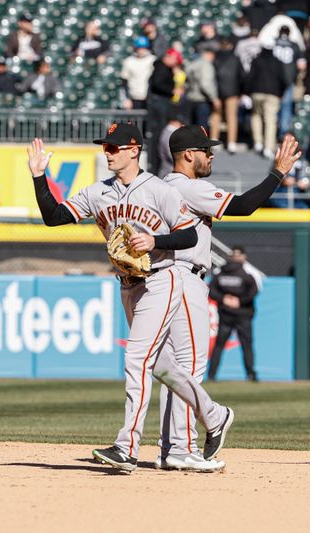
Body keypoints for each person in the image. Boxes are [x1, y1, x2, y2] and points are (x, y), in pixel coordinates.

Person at [29, 123, 234, 473]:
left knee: (137, 358)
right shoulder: (98, 192)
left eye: (114, 147)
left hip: (162, 279)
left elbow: (188, 238)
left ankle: (126, 446)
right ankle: (214, 415)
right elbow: (54, 217)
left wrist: (155, 241)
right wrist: (39, 177)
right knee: (162, 366)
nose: (107, 152)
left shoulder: (159, 190)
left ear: (133, 150)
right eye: (105, 147)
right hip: (129, 285)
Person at [158, 127, 300, 469]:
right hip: (185, 278)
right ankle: (187, 442)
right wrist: (277, 173)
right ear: (188, 155)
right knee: (188, 367)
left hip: (162, 279)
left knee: (172, 370)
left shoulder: (159, 186)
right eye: (206, 150)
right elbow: (245, 206)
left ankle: (172, 446)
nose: (212, 155)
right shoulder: (189, 187)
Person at [208, 246, 260, 382]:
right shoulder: (248, 272)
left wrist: (224, 299)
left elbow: (212, 290)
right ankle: (251, 375)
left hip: (227, 313)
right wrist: (238, 301)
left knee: (220, 345)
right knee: (246, 345)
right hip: (242, 313)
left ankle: (212, 375)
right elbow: (254, 291)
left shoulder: (221, 271)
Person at [247, 46, 288, 158]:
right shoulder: (277, 62)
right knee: (270, 120)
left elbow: (250, 77)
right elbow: (284, 79)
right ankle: (268, 147)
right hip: (272, 93)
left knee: (256, 116)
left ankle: (258, 142)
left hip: (257, 92)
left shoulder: (256, 60)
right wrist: (281, 92)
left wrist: (247, 91)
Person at [211, 36, 244, 152]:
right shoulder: (236, 58)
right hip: (233, 91)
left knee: (216, 115)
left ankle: (214, 140)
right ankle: (231, 143)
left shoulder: (215, 58)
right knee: (232, 117)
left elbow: (212, 76)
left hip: (217, 91)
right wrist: (241, 92)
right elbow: (242, 76)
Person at [184, 48, 219, 130]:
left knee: (191, 127)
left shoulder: (192, 64)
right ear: (209, 54)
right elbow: (205, 84)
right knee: (201, 128)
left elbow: (186, 82)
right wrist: (214, 98)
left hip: (190, 97)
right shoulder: (206, 65)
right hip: (202, 100)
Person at [120, 36, 155, 110]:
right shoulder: (129, 61)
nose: (141, 50)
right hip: (134, 98)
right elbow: (124, 82)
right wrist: (126, 99)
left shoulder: (153, 60)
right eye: (139, 48)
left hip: (149, 98)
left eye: (143, 47)